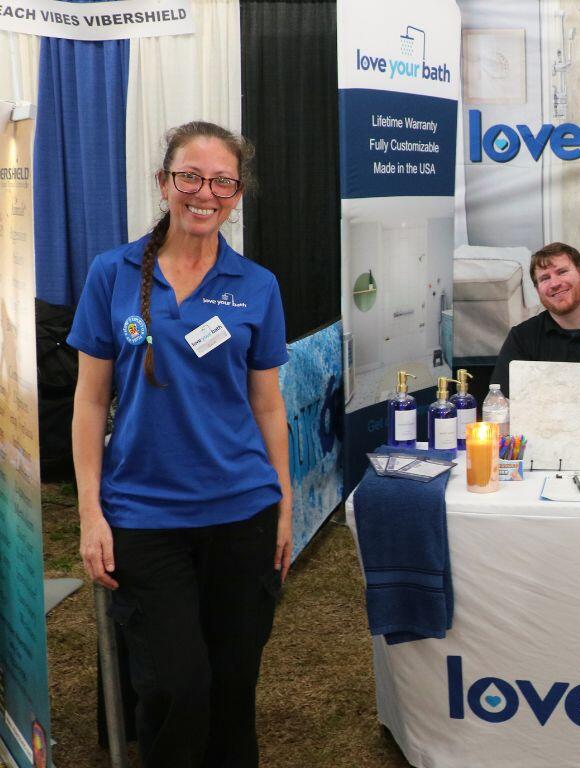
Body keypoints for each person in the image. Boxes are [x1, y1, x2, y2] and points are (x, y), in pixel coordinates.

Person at [69, 122, 290, 768]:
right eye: (189, 177)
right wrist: (89, 511)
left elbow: (269, 405)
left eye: (222, 180)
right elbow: (87, 402)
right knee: (174, 685)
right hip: (144, 517)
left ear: (237, 194)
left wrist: (283, 502)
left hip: (242, 513)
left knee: (231, 685)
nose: (204, 192)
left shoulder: (257, 285)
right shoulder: (112, 274)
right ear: (163, 183)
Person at [491, 242, 580, 445]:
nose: (554, 283)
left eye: (562, 272)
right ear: (537, 290)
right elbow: (501, 408)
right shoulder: (522, 338)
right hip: (543, 457)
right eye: (544, 278)